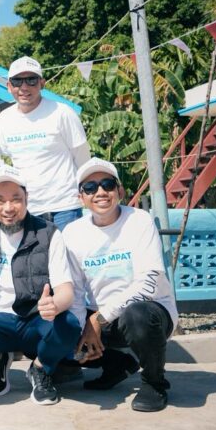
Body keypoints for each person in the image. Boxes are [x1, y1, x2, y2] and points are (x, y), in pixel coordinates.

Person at [0, 165, 85, 406]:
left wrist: (54, 304)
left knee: (69, 326)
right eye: (0, 200)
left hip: (35, 318)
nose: (8, 208)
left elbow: (66, 289)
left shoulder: (48, 233)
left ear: (26, 199)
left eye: (16, 199)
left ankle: (40, 369)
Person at [64, 158, 179, 412]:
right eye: (90, 188)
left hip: (149, 313)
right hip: (101, 320)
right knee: (55, 329)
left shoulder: (139, 221)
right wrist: (80, 328)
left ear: (120, 191)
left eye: (107, 184)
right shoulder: (72, 232)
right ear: (80, 197)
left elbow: (149, 283)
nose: (100, 192)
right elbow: (75, 290)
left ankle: (154, 382)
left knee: (136, 315)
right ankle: (116, 364)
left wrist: (99, 319)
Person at [0, 56, 91, 230]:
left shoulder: (62, 113)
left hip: (65, 208)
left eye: (31, 80)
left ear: (42, 83)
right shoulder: (4, 119)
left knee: (69, 257)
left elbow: (83, 159)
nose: (24, 87)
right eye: (17, 81)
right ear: (9, 86)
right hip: (27, 210)